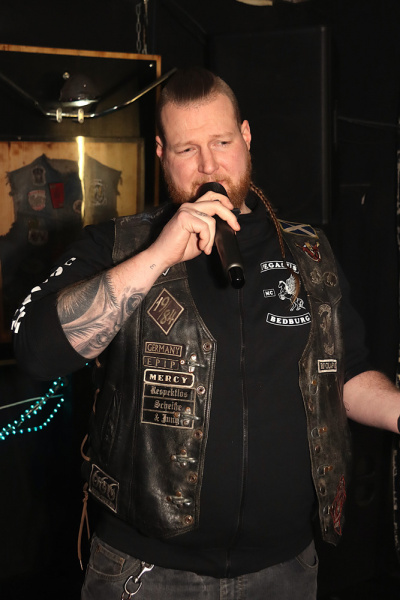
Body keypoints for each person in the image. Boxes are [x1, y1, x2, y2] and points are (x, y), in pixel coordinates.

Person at [12, 67, 400, 600]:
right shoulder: (119, 245)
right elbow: (35, 350)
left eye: (221, 142)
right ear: (161, 153)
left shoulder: (309, 253)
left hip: (285, 568)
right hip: (146, 571)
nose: (209, 166)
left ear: (246, 137)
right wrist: (159, 255)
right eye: (187, 149)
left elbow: (345, 373)